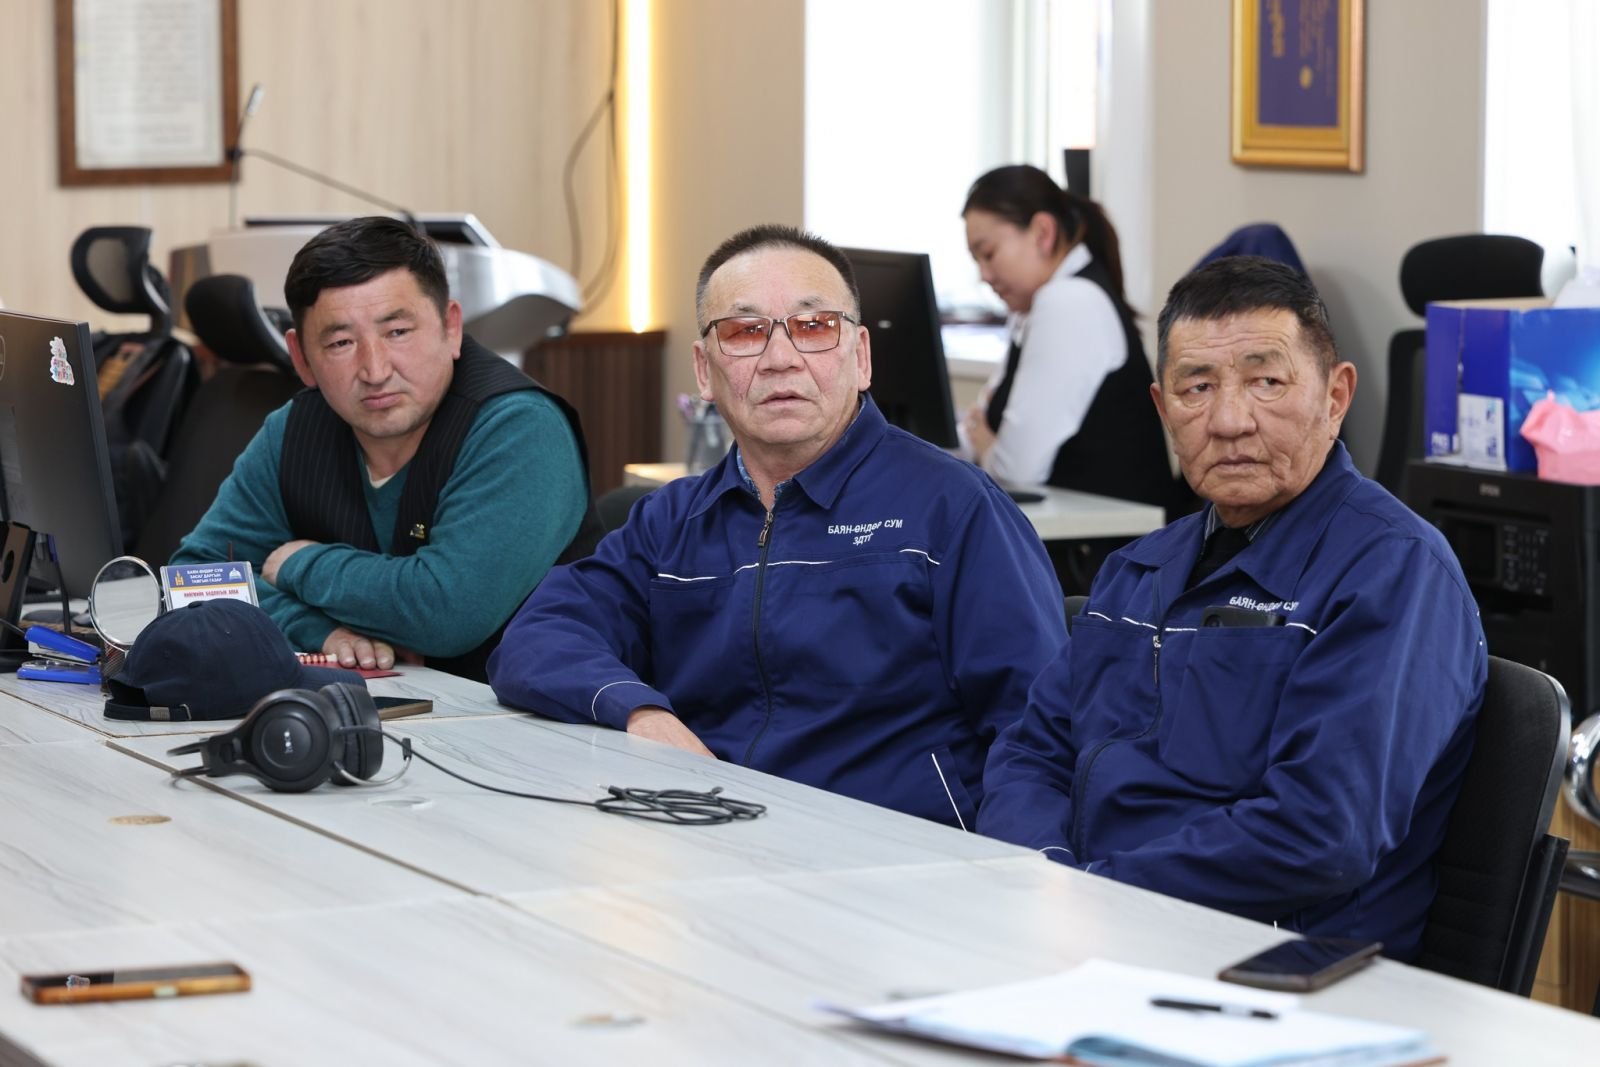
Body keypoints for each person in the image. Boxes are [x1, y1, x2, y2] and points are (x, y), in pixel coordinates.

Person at [977, 256, 1486, 960]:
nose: (1228, 420)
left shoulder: (1393, 570)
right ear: (1164, 409)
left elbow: (1320, 831)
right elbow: (1030, 753)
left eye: (1266, 382)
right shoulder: (1138, 568)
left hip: (1267, 965)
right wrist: (1043, 874)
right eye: (1197, 387)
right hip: (1090, 930)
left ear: (1335, 397)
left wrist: (1097, 894)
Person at [488, 224, 1065, 828]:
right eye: (745, 332)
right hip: (708, 832)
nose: (781, 359)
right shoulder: (673, 521)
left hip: (895, 854)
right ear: (704, 371)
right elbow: (537, 637)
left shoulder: (954, 508)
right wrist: (639, 714)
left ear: (861, 357)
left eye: (814, 327)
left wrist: (1014, 871)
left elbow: (1038, 732)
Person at [171, 216, 593, 680]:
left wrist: (299, 564)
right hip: (378, 705)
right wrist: (315, 628)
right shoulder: (293, 429)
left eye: (397, 332)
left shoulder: (518, 427)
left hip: (529, 709)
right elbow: (195, 578)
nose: (374, 370)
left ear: (451, 328)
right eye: (341, 342)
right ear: (302, 359)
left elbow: (444, 613)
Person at [959, 164, 1179, 512]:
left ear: (1042, 233)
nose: (983, 275)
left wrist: (988, 446)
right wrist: (986, 444)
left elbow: (1016, 471)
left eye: (988, 254)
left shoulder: (1069, 302)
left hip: (1110, 540)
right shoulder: (1036, 308)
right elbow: (978, 424)